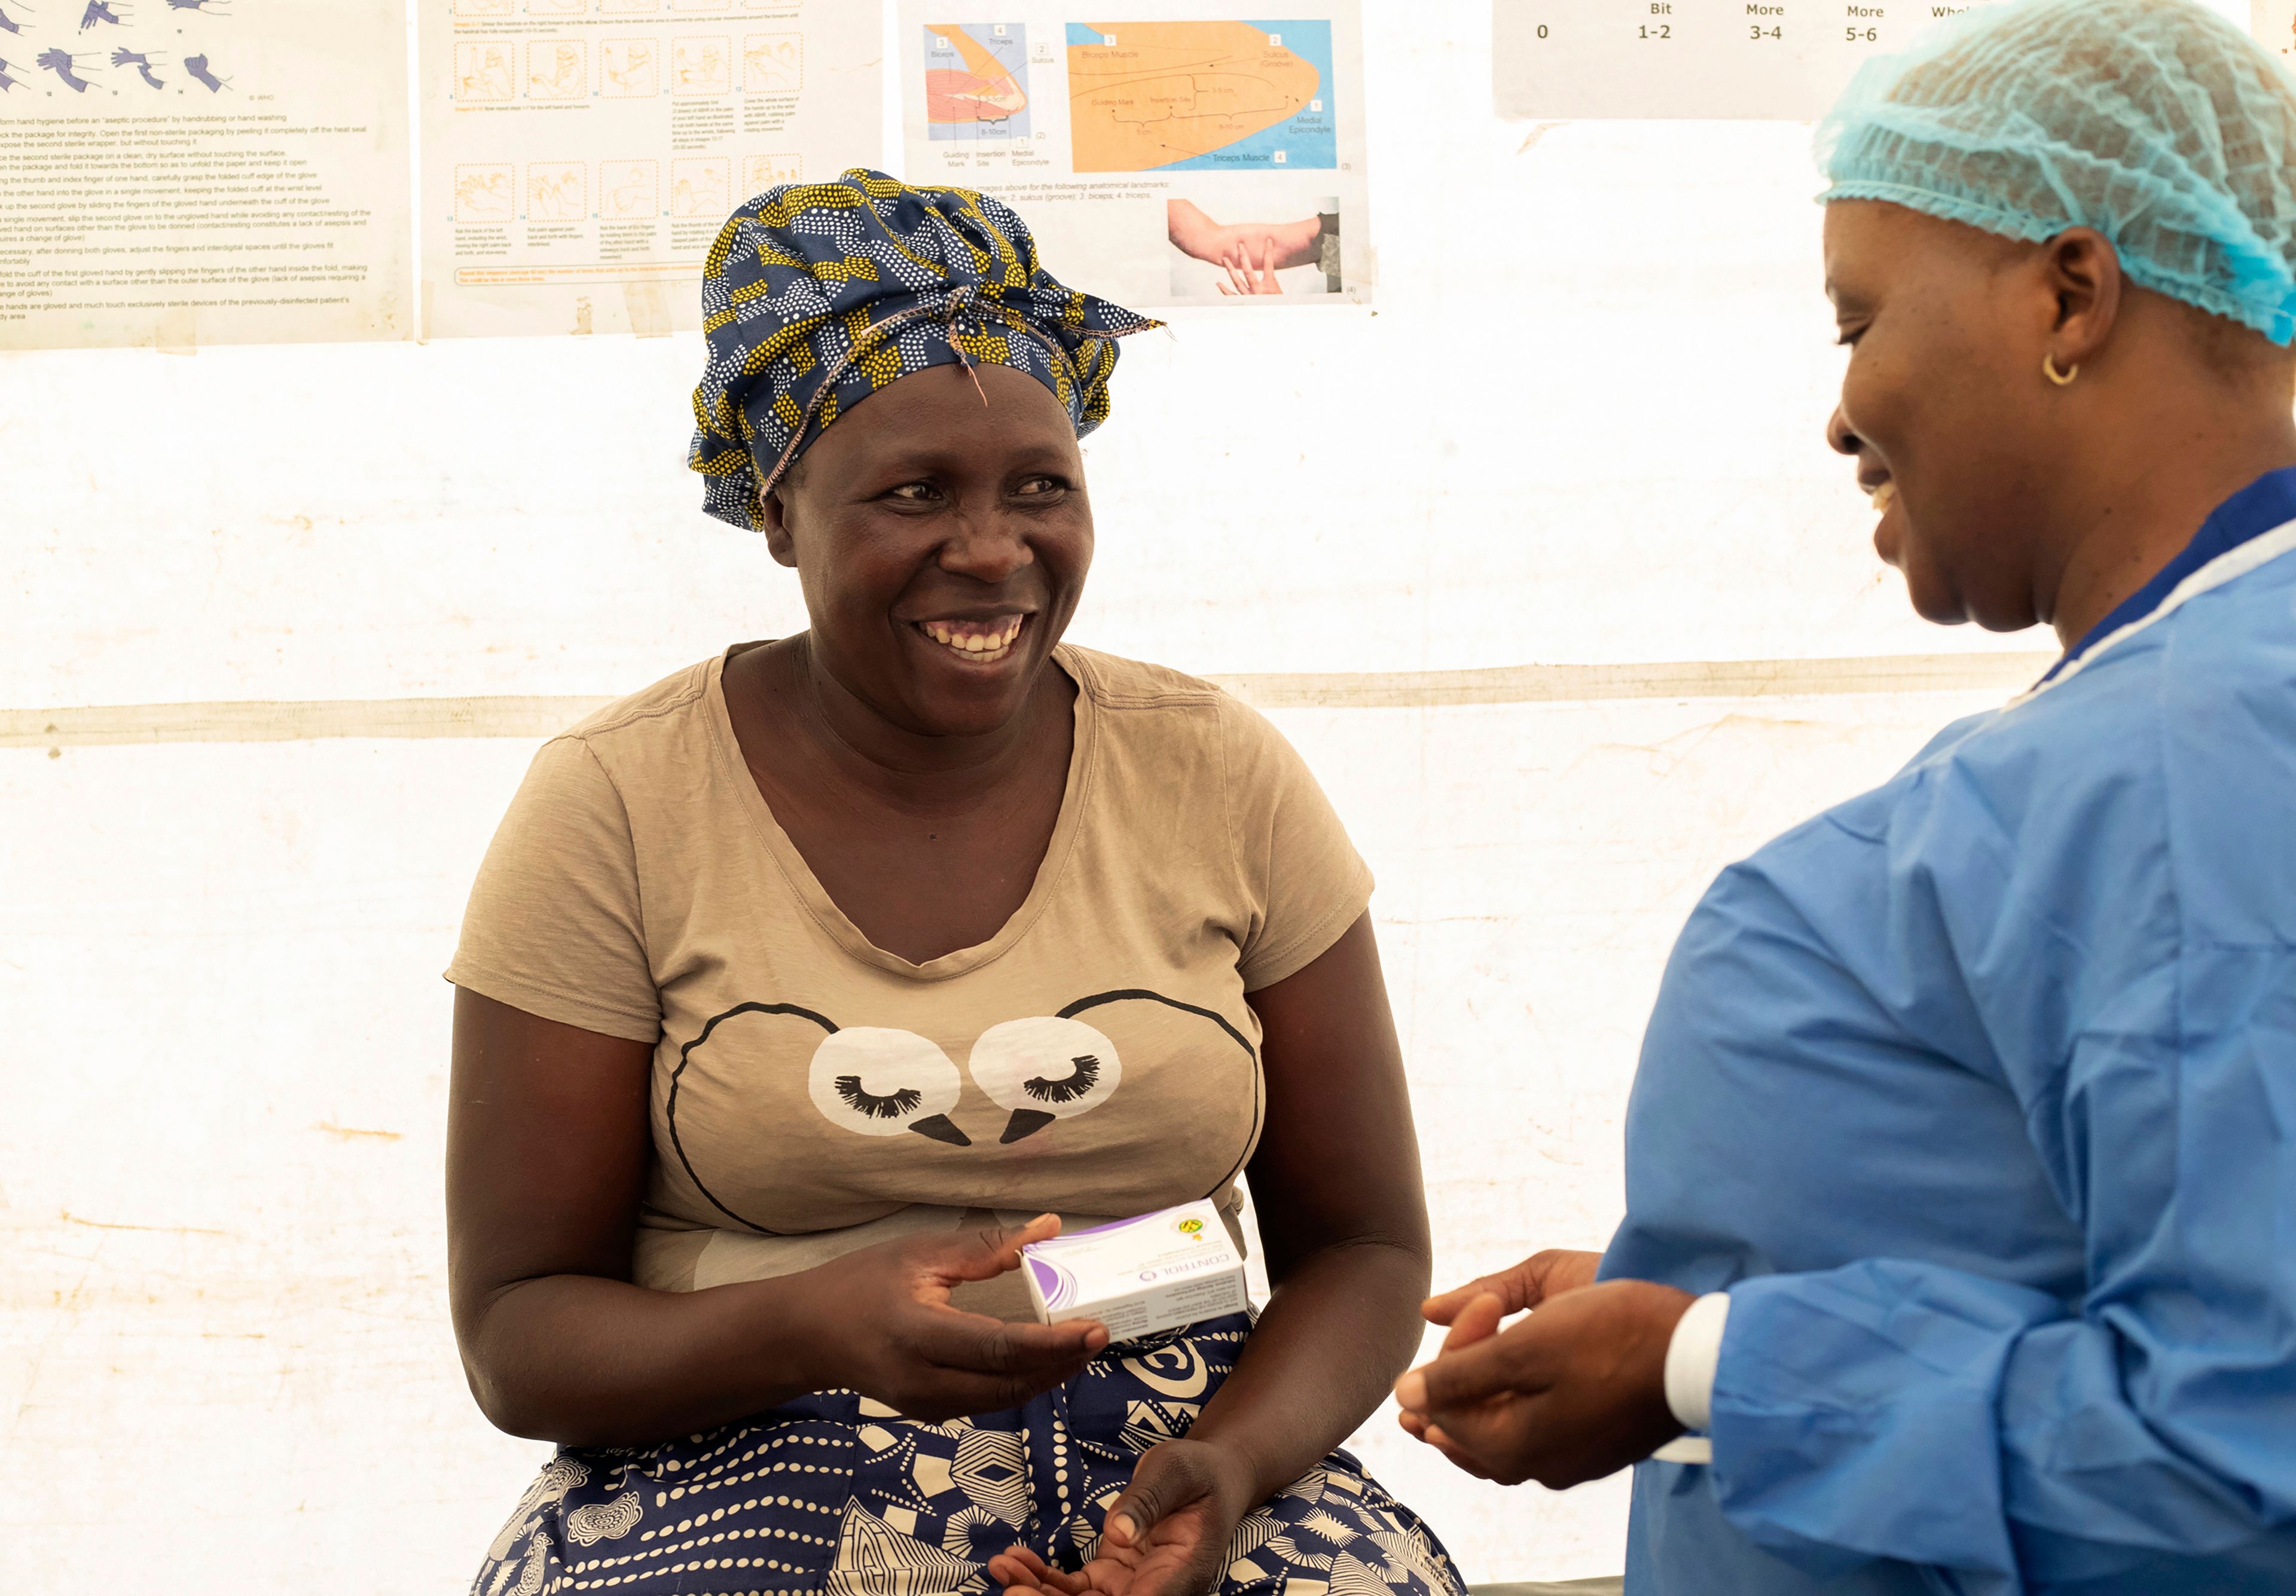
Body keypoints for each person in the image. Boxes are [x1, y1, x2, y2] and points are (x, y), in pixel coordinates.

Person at [444, 169, 1464, 1596]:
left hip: (1200, 1433)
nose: (994, 553)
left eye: (1040, 487)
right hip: (733, 1436)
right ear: (778, 511)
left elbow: (1362, 1242)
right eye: (914, 493)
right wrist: (807, 1326)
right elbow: (517, 1331)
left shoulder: (1214, 768)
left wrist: (1229, 1469)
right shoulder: (619, 800)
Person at [1392, 3, 2296, 1591]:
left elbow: (2242, 1454)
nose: (1839, 408)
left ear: (2069, 292)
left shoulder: (2195, 748)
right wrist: (1695, 1276)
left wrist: (1698, 1359)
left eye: (1857, 318)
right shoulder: (2192, 703)